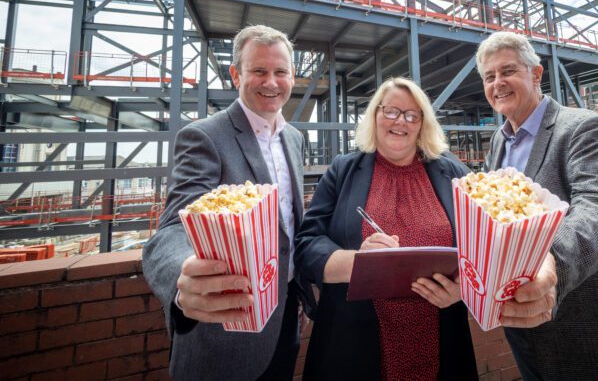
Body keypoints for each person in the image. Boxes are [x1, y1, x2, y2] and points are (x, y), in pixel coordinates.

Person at [476, 31, 598, 380]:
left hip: (587, 317)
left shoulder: (580, 126)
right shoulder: (499, 141)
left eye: (507, 71)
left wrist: (554, 262)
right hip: (524, 325)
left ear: (535, 74)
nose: (498, 83)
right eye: (489, 76)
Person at [143, 25, 307, 381]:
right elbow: (173, 228)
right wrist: (184, 275)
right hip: (226, 332)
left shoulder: (294, 138)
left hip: (285, 317)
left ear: (292, 75)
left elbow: (290, 223)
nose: (271, 82)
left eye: (281, 72)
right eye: (259, 71)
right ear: (236, 74)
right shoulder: (205, 135)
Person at [295, 77, 478, 381]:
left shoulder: (453, 172)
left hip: (442, 334)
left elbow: (489, 241)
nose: (400, 122)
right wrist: (357, 262)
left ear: (422, 124)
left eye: (411, 115)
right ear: (375, 115)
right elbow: (307, 243)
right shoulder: (343, 170)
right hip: (353, 343)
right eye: (391, 111)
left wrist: (467, 289)